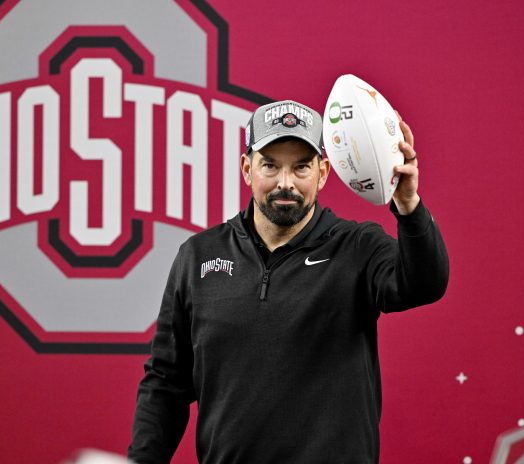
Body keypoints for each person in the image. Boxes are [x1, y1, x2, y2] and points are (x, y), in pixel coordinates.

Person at [128, 99, 449, 464]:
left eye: (300, 168)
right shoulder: (198, 257)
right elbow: (165, 383)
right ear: (247, 169)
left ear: (323, 172)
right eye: (270, 166)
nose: (285, 183)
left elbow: (425, 283)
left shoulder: (357, 247)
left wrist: (408, 205)